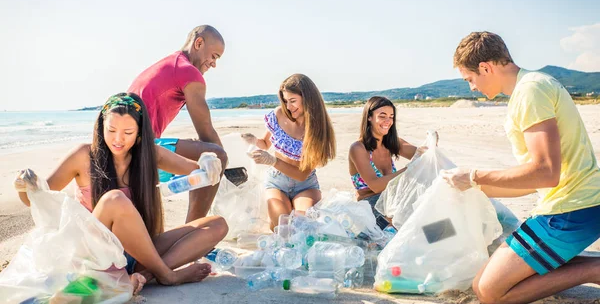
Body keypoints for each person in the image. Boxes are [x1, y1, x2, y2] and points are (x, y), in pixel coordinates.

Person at [443, 31, 600, 304]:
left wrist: (474, 175)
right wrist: (473, 187)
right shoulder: (532, 86)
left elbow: (546, 172)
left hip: (571, 210)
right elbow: (537, 180)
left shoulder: (530, 91)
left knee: (490, 292)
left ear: (485, 68)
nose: (472, 88)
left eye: (470, 79)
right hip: (571, 204)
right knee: (481, 282)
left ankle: (595, 270)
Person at [14, 93, 228, 292]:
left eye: (127, 133)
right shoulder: (83, 155)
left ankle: (145, 275)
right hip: (96, 253)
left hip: (137, 252)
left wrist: (207, 161)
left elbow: (198, 170)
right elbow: (39, 198)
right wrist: (24, 187)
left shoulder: (148, 154)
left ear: (139, 133)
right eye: (111, 130)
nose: (118, 139)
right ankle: (167, 275)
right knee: (114, 199)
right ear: (101, 126)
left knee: (218, 224)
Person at [128, 25, 227, 223]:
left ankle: (191, 229)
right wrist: (225, 168)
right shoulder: (188, 72)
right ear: (199, 43)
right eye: (214, 56)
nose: (214, 64)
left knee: (204, 153)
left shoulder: (172, 63)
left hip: (128, 145)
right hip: (141, 152)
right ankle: (192, 231)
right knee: (216, 156)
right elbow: (205, 130)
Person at [241, 74, 336, 229]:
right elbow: (265, 143)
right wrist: (253, 140)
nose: (289, 106)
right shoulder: (279, 114)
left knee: (301, 225)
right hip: (277, 182)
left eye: (293, 101)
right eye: (286, 101)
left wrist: (272, 161)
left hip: (306, 185)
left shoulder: (318, 129)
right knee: (281, 225)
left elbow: (302, 174)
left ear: (308, 99)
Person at [348, 96, 423, 217]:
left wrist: (430, 147)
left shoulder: (392, 143)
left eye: (391, 117)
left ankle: (450, 233)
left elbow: (421, 156)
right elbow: (376, 186)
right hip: (371, 206)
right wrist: (409, 169)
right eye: (382, 116)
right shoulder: (358, 148)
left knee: (430, 207)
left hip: (393, 201)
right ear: (369, 117)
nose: (388, 121)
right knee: (416, 219)